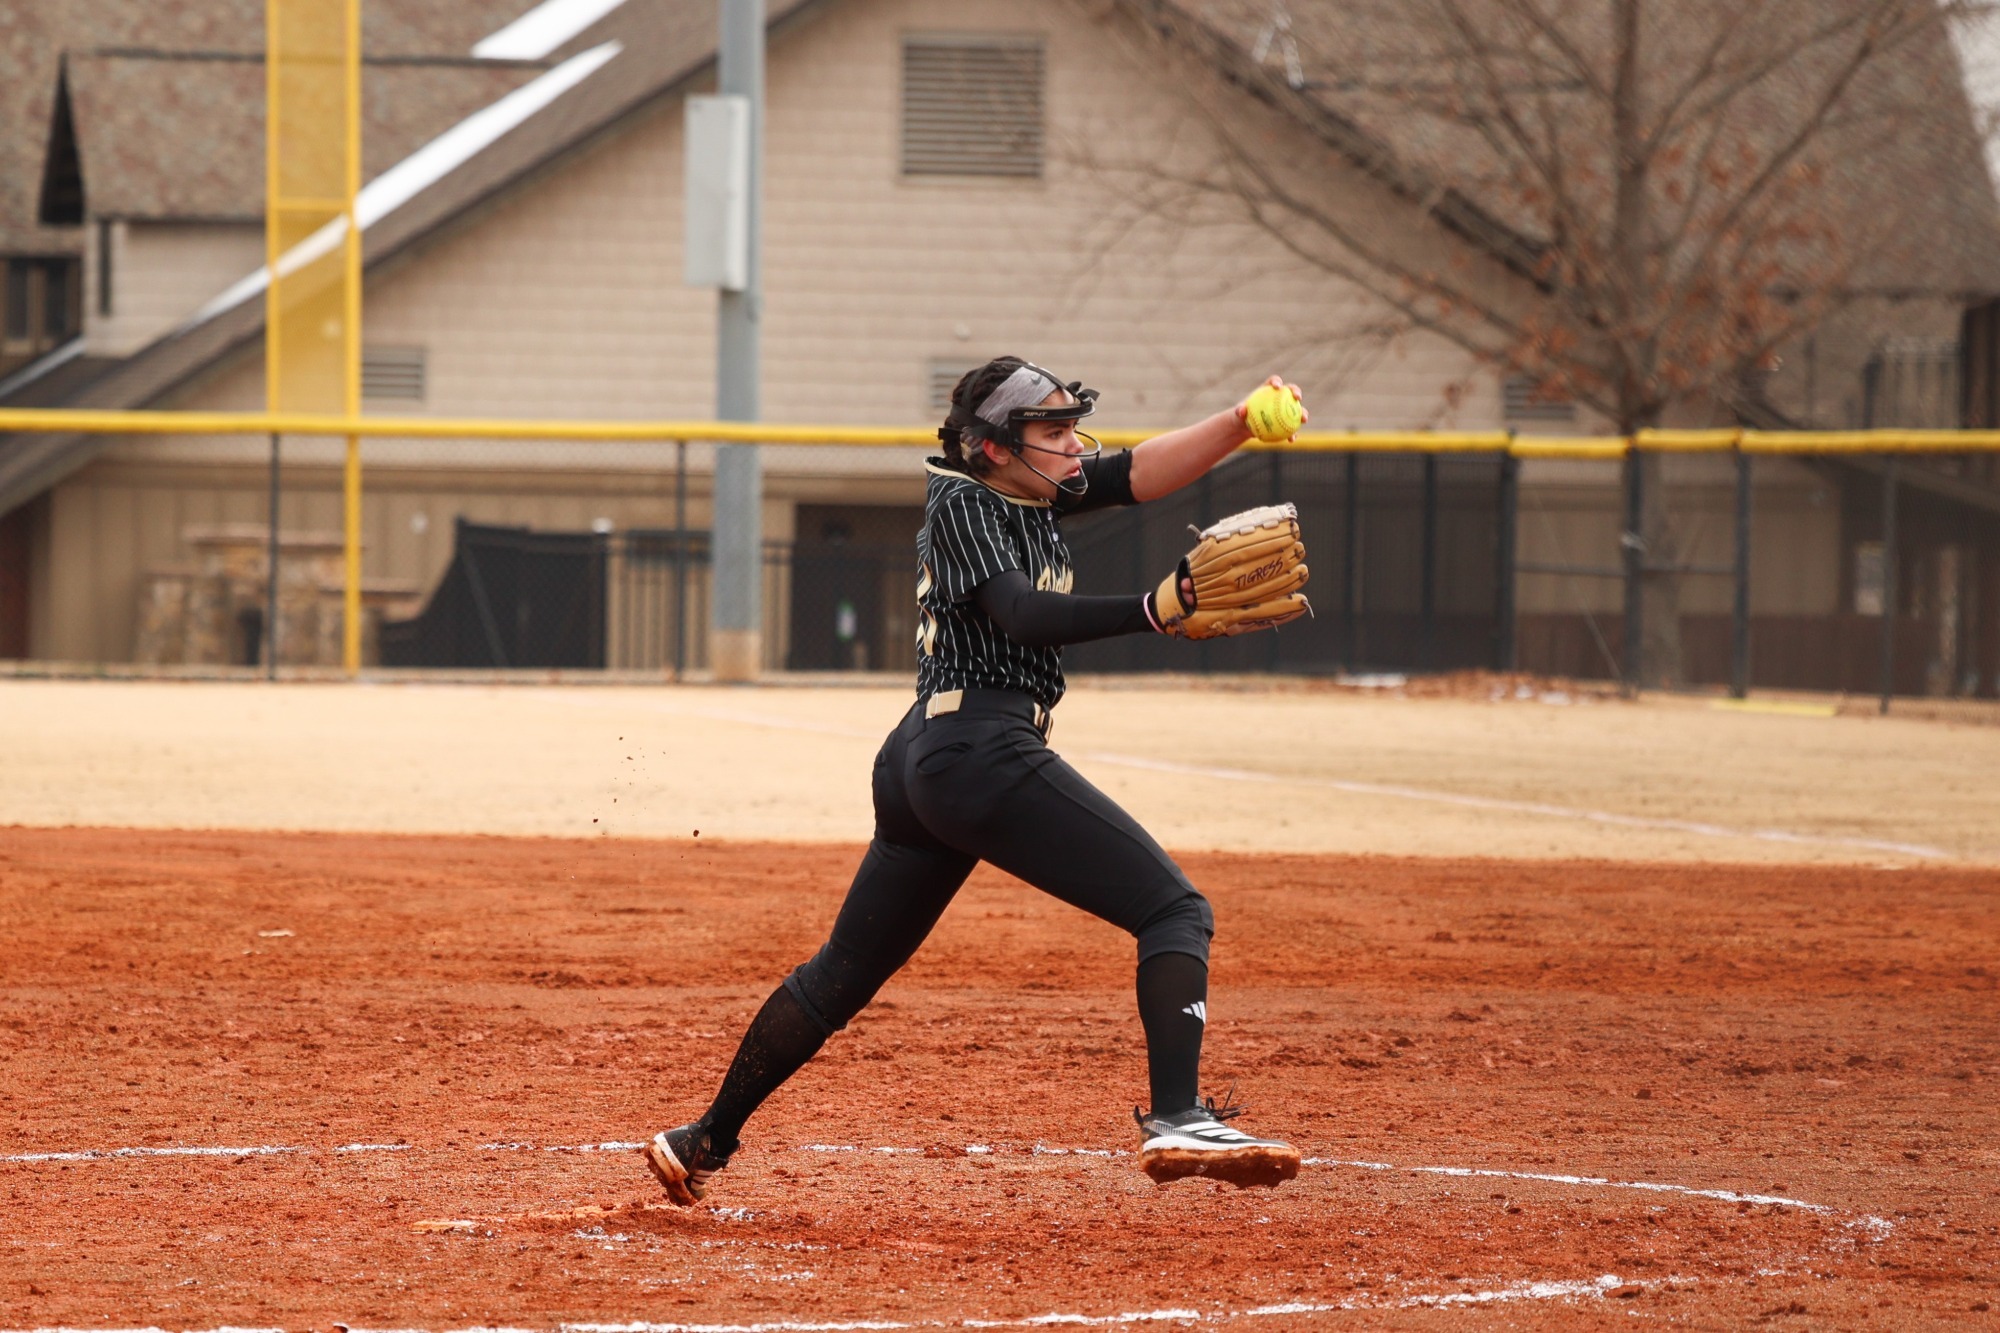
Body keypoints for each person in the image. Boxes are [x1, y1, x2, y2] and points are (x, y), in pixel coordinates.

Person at [643, 356, 1307, 1204]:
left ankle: (701, 1137)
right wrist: (1156, 605)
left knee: (843, 970)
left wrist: (1239, 424)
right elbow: (1023, 614)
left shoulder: (1029, 485)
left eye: (1073, 429)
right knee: (1176, 909)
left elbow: (1137, 473)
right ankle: (1178, 1115)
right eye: (1054, 432)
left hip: (930, 753)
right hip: (977, 749)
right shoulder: (962, 500)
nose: (1074, 448)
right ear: (994, 447)